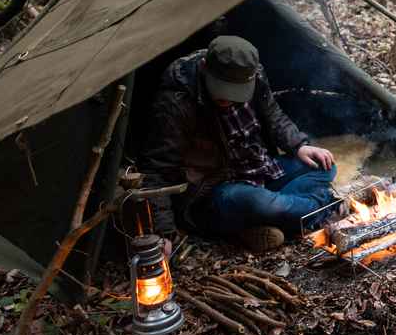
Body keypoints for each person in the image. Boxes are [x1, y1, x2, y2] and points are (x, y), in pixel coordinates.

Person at [142, 35, 338, 252]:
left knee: (324, 165)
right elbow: (157, 170)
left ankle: (263, 220)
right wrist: (163, 232)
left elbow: (273, 114)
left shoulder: (252, 72)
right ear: (204, 67)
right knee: (259, 203)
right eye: (222, 91)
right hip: (214, 191)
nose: (228, 100)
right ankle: (325, 205)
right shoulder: (176, 101)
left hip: (259, 169)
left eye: (236, 93)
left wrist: (299, 145)